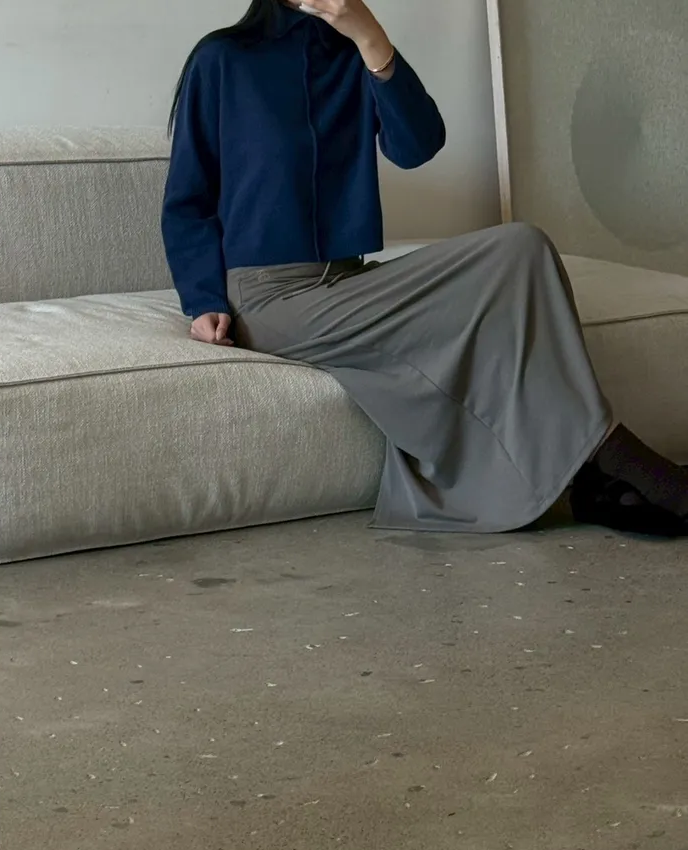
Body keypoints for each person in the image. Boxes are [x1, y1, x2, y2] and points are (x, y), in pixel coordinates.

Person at [162, 0, 688, 537]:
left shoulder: (353, 54)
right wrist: (203, 300)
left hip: (346, 280)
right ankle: (611, 460)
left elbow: (417, 146)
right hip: (268, 298)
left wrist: (372, 39)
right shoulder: (222, 58)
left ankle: (591, 479)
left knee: (521, 249)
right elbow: (187, 200)